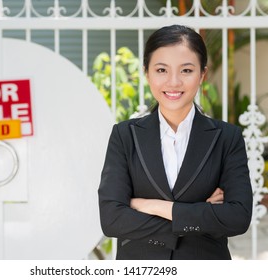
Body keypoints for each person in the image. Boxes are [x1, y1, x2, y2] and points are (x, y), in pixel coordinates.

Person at [98, 25, 253, 260]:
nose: (173, 82)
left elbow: (238, 218)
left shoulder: (226, 138)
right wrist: (201, 213)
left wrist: (150, 206)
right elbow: (111, 220)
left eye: (186, 70)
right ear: (147, 73)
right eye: (161, 69)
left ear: (202, 74)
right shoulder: (125, 136)